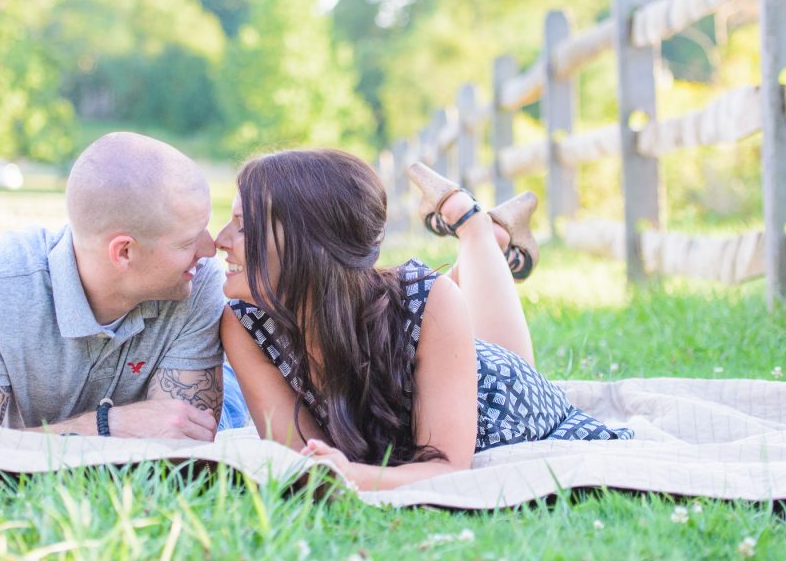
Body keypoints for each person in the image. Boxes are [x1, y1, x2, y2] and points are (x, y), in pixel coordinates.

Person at [214, 151, 632, 491]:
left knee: (456, 315)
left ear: (310, 245)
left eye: (243, 227)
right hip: (418, 340)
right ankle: (486, 237)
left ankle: (476, 228)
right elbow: (305, 461)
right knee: (438, 305)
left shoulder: (427, 299)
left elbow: (447, 469)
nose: (220, 242)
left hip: (501, 401)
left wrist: (352, 476)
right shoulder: (243, 325)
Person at [0, 131, 249, 437]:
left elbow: (182, 440)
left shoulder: (198, 279)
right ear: (123, 252)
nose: (210, 249)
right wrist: (106, 425)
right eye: (188, 241)